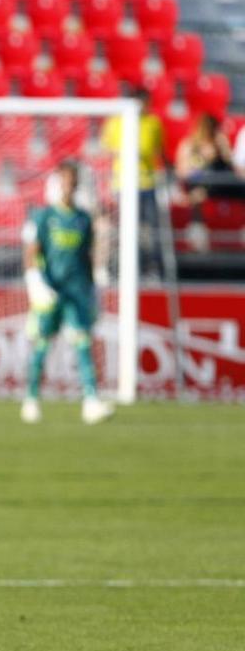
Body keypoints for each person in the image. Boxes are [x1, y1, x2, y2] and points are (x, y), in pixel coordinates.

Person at [21, 161, 114, 426]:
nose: (68, 187)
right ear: (55, 184)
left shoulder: (83, 219)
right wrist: (36, 283)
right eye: (63, 181)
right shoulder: (43, 217)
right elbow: (31, 253)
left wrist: (96, 285)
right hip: (51, 290)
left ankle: (91, 401)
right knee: (42, 344)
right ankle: (31, 398)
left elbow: (88, 255)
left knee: (83, 343)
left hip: (77, 290)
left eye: (72, 182)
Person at [100, 88, 166, 276]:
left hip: (147, 183)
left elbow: (159, 150)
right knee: (123, 228)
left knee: (150, 229)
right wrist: (124, 153)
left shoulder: (153, 123)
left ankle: (152, 268)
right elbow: (106, 148)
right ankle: (121, 268)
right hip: (123, 184)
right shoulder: (117, 122)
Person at [175, 113, 234, 202]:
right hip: (195, 183)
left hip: (216, 187)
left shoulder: (218, 144)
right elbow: (182, 172)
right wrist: (203, 160)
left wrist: (223, 146)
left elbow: (230, 165)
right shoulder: (189, 145)